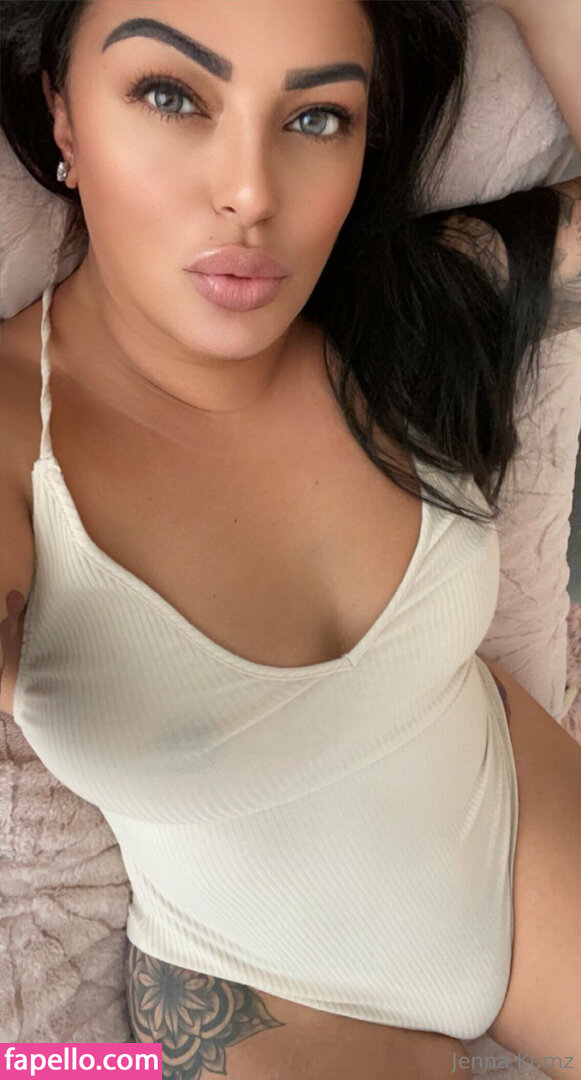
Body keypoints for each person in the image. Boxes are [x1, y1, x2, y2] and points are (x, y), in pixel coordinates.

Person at [1, 2, 580, 1077]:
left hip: (518, 833)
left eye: (316, 118)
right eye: (170, 96)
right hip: (269, 1001)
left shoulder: (407, 309)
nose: (251, 194)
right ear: (62, 114)